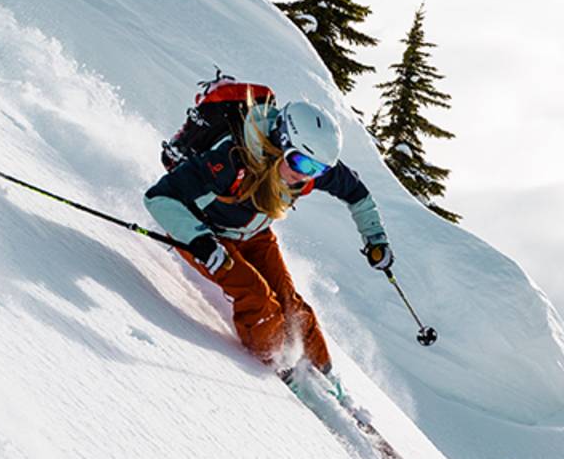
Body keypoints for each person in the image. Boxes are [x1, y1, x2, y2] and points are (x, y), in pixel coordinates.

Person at [144, 76, 392, 376]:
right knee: (256, 296)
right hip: (207, 236)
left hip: (255, 235)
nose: (306, 176)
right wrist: (200, 240)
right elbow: (158, 196)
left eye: (318, 170)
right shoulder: (229, 159)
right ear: (281, 144)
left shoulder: (306, 162)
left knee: (291, 304)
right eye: (303, 164)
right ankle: (273, 363)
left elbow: (357, 195)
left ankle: (323, 373)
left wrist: (375, 237)